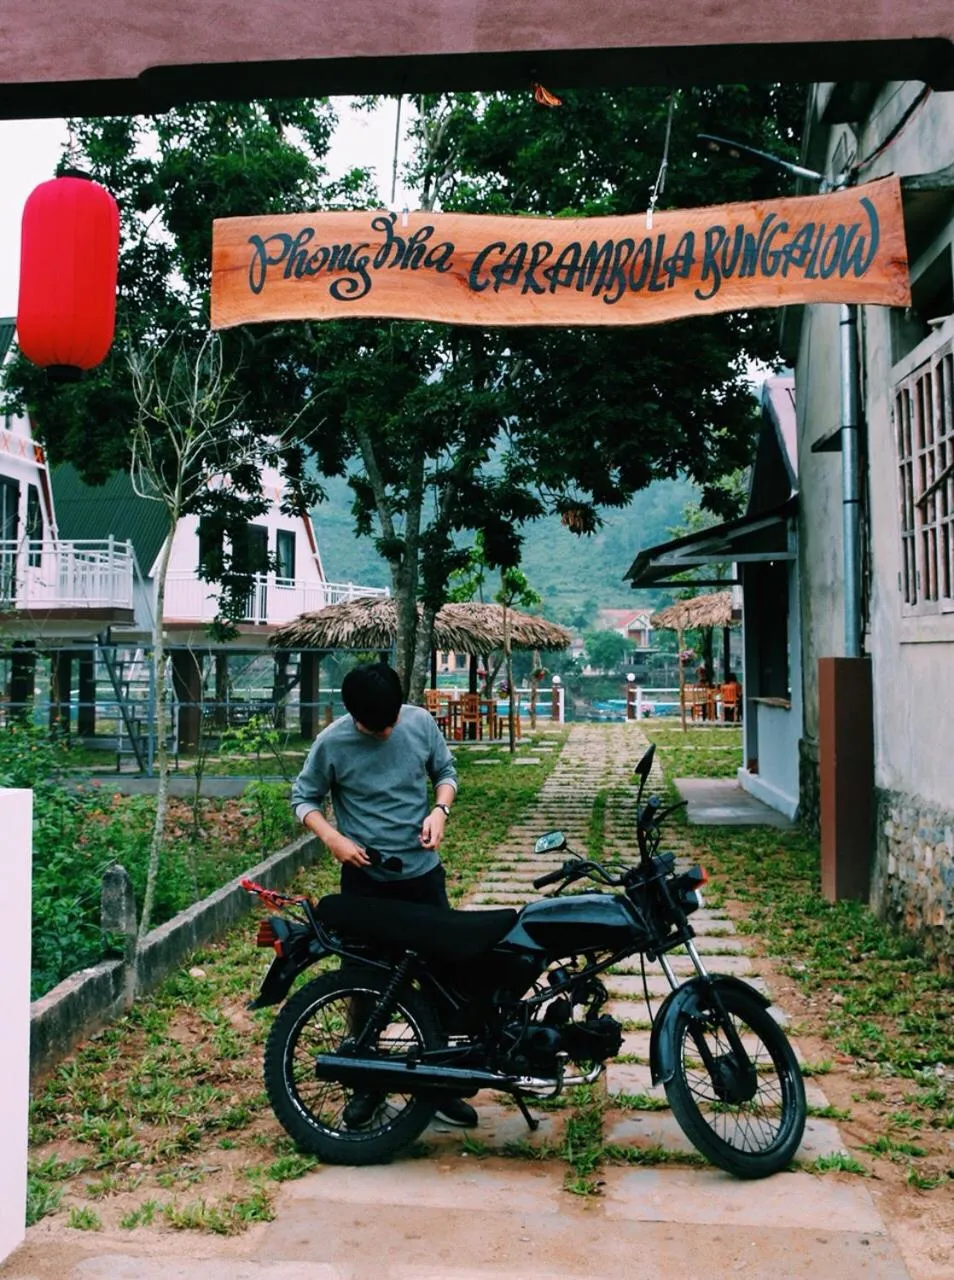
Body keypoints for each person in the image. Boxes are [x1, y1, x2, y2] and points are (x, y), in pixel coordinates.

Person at [291, 660, 477, 1129]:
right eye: (376, 727)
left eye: (391, 721)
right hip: (366, 884)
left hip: (422, 878)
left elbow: (446, 772)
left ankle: (439, 1083)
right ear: (354, 715)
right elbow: (304, 798)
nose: (387, 731)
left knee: (442, 982)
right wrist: (332, 838)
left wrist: (440, 811)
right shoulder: (332, 742)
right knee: (363, 985)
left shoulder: (419, 722)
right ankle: (366, 1083)